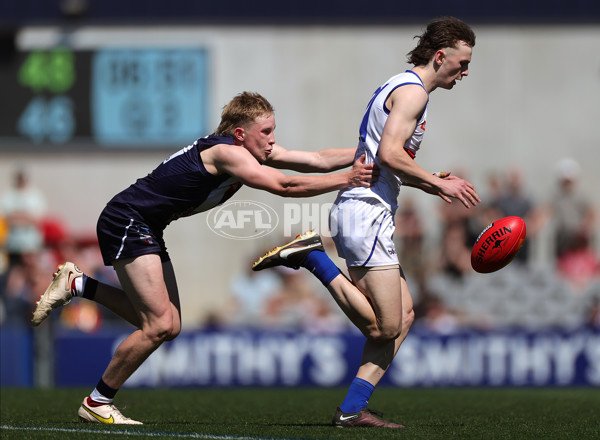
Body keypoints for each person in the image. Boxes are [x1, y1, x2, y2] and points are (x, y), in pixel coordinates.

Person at [30, 91, 377, 425]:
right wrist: (348, 179)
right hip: (127, 219)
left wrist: (373, 150)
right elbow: (284, 186)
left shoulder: (247, 150)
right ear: (240, 134)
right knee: (159, 325)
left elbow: (316, 160)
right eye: (266, 132)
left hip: (145, 224)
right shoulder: (228, 153)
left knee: (169, 325)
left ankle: (79, 284)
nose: (272, 139)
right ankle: (97, 402)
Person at [252, 16, 480, 428]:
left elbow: (385, 159)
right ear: (441, 56)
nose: (465, 73)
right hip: (365, 212)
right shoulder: (413, 94)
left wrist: (430, 183)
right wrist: (435, 183)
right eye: (462, 64)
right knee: (385, 326)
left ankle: (352, 408)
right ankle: (312, 257)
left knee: (405, 317)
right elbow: (391, 154)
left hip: (368, 210)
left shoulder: (398, 86)